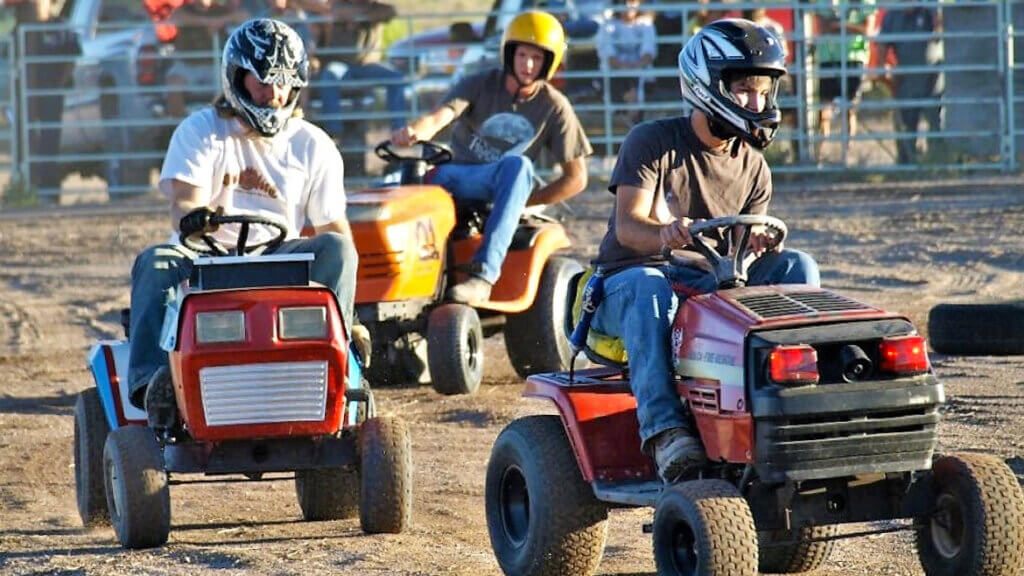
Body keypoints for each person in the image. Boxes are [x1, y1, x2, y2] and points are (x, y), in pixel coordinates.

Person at [590, 19, 820, 483]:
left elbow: (738, 265)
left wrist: (758, 249)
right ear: (708, 85)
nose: (758, 104)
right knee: (650, 284)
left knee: (798, 265)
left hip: (706, 282)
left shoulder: (755, 169)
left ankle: (791, 405)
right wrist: (665, 234)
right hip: (626, 286)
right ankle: (664, 431)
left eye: (764, 92)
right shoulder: (653, 142)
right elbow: (629, 228)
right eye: (744, 90)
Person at [128, 19, 358, 428]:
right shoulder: (202, 131)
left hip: (279, 259)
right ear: (237, 77)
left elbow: (333, 227)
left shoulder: (314, 145)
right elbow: (183, 203)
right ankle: (152, 385)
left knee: (339, 249)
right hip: (205, 258)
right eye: (263, 81)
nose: (274, 94)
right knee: (156, 261)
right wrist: (195, 219)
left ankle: (338, 360)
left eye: (284, 82)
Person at [390, 10, 592, 304]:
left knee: (519, 167)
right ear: (509, 53)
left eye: (537, 58)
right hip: (456, 176)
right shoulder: (480, 83)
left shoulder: (555, 106)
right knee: (394, 186)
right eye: (522, 55)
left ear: (550, 64)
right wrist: (415, 131)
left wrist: (522, 200)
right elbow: (441, 116)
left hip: (507, 182)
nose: (528, 64)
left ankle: (483, 275)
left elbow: (577, 178)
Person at [14, 0, 80, 197]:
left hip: (51, 94)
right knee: (27, 141)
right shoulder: (23, 29)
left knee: (49, 141)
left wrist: (59, 84)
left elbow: (71, 56)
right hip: (28, 96)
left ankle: (50, 190)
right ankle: (28, 187)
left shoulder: (60, 26)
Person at [317, 0, 409, 134]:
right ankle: (333, 130)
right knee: (328, 76)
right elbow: (331, 9)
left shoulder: (376, 8)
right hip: (341, 64)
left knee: (396, 78)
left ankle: (399, 130)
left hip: (368, 65)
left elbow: (391, 12)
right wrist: (350, 15)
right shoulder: (338, 5)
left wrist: (362, 14)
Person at [879, 0, 943, 164]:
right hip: (906, 79)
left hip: (933, 78)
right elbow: (883, 45)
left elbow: (940, 31)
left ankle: (937, 161)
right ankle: (906, 162)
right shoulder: (893, 14)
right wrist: (883, 70)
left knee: (936, 121)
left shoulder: (929, 10)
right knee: (905, 124)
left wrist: (935, 14)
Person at [165, 0, 248, 119]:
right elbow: (175, 17)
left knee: (227, 86)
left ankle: (214, 123)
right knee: (173, 84)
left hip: (214, 64)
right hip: (187, 64)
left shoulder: (220, 10)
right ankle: (179, 126)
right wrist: (206, 22)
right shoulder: (185, 9)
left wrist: (221, 21)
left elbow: (243, 16)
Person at [814, 0, 876, 156]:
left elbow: (867, 30)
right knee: (825, 109)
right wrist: (851, 27)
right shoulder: (826, 2)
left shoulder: (865, 2)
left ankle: (847, 153)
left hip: (854, 59)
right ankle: (820, 154)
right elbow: (822, 27)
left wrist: (838, 26)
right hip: (829, 58)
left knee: (850, 108)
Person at [596, 0, 656, 125]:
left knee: (635, 85)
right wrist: (627, 68)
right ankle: (630, 113)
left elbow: (648, 54)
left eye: (632, 1)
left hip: (640, 77)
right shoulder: (607, 26)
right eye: (624, 1)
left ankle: (630, 115)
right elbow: (610, 58)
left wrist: (633, 68)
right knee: (627, 86)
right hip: (616, 78)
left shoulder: (646, 25)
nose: (628, 6)